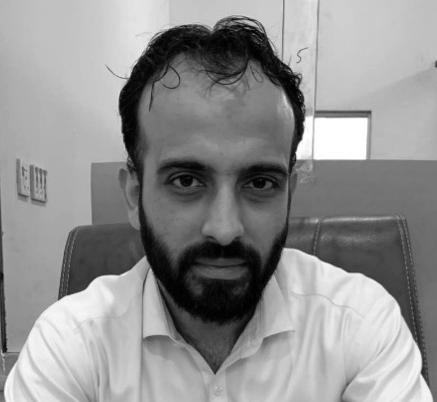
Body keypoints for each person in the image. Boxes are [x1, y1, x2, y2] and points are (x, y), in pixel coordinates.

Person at [5, 16, 433, 402]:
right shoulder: (70, 344)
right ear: (134, 194)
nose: (225, 229)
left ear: (289, 192)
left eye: (260, 183)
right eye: (186, 181)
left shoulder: (359, 323)